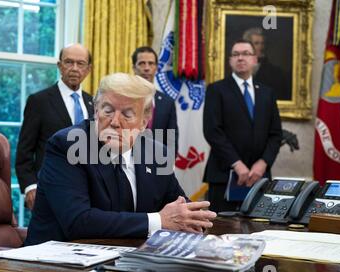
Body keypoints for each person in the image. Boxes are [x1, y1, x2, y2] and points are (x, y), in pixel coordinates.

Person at [25, 73, 216, 244]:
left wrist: (193, 221)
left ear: (143, 122)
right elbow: (78, 221)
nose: (115, 122)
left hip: (127, 263)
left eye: (127, 114)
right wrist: (158, 220)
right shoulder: (68, 145)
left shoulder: (157, 153)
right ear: (95, 111)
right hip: (54, 268)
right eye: (107, 111)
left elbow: (182, 212)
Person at [203, 40, 282, 213]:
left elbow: (276, 134)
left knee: (259, 230)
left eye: (246, 53)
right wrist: (237, 165)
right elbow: (212, 131)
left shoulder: (267, 93)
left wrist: (263, 163)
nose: (240, 58)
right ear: (230, 60)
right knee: (221, 233)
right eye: (235, 54)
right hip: (224, 176)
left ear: (255, 59)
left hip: (259, 177)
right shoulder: (216, 90)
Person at [15, 43, 94, 210]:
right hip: (49, 189)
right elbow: (24, 150)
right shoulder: (39, 101)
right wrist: (30, 186)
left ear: (88, 69)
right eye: (68, 62)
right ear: (59, 66)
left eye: (80, 64)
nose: (74, 68)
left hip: (88, 192)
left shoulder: (95, 103)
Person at [131, 46, 178, 154]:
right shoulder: (124, 98)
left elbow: (171, 140)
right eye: (142, 63)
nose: (147, 68)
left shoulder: (167, 102)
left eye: (151, 63)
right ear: (134, 68)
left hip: (158, 163)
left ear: (156, 67)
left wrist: (167, 164)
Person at [242, 27, 291, 100]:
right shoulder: (238, 68)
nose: (261, 47)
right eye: (256, 43)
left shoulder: (276, 73)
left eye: (263, 43)